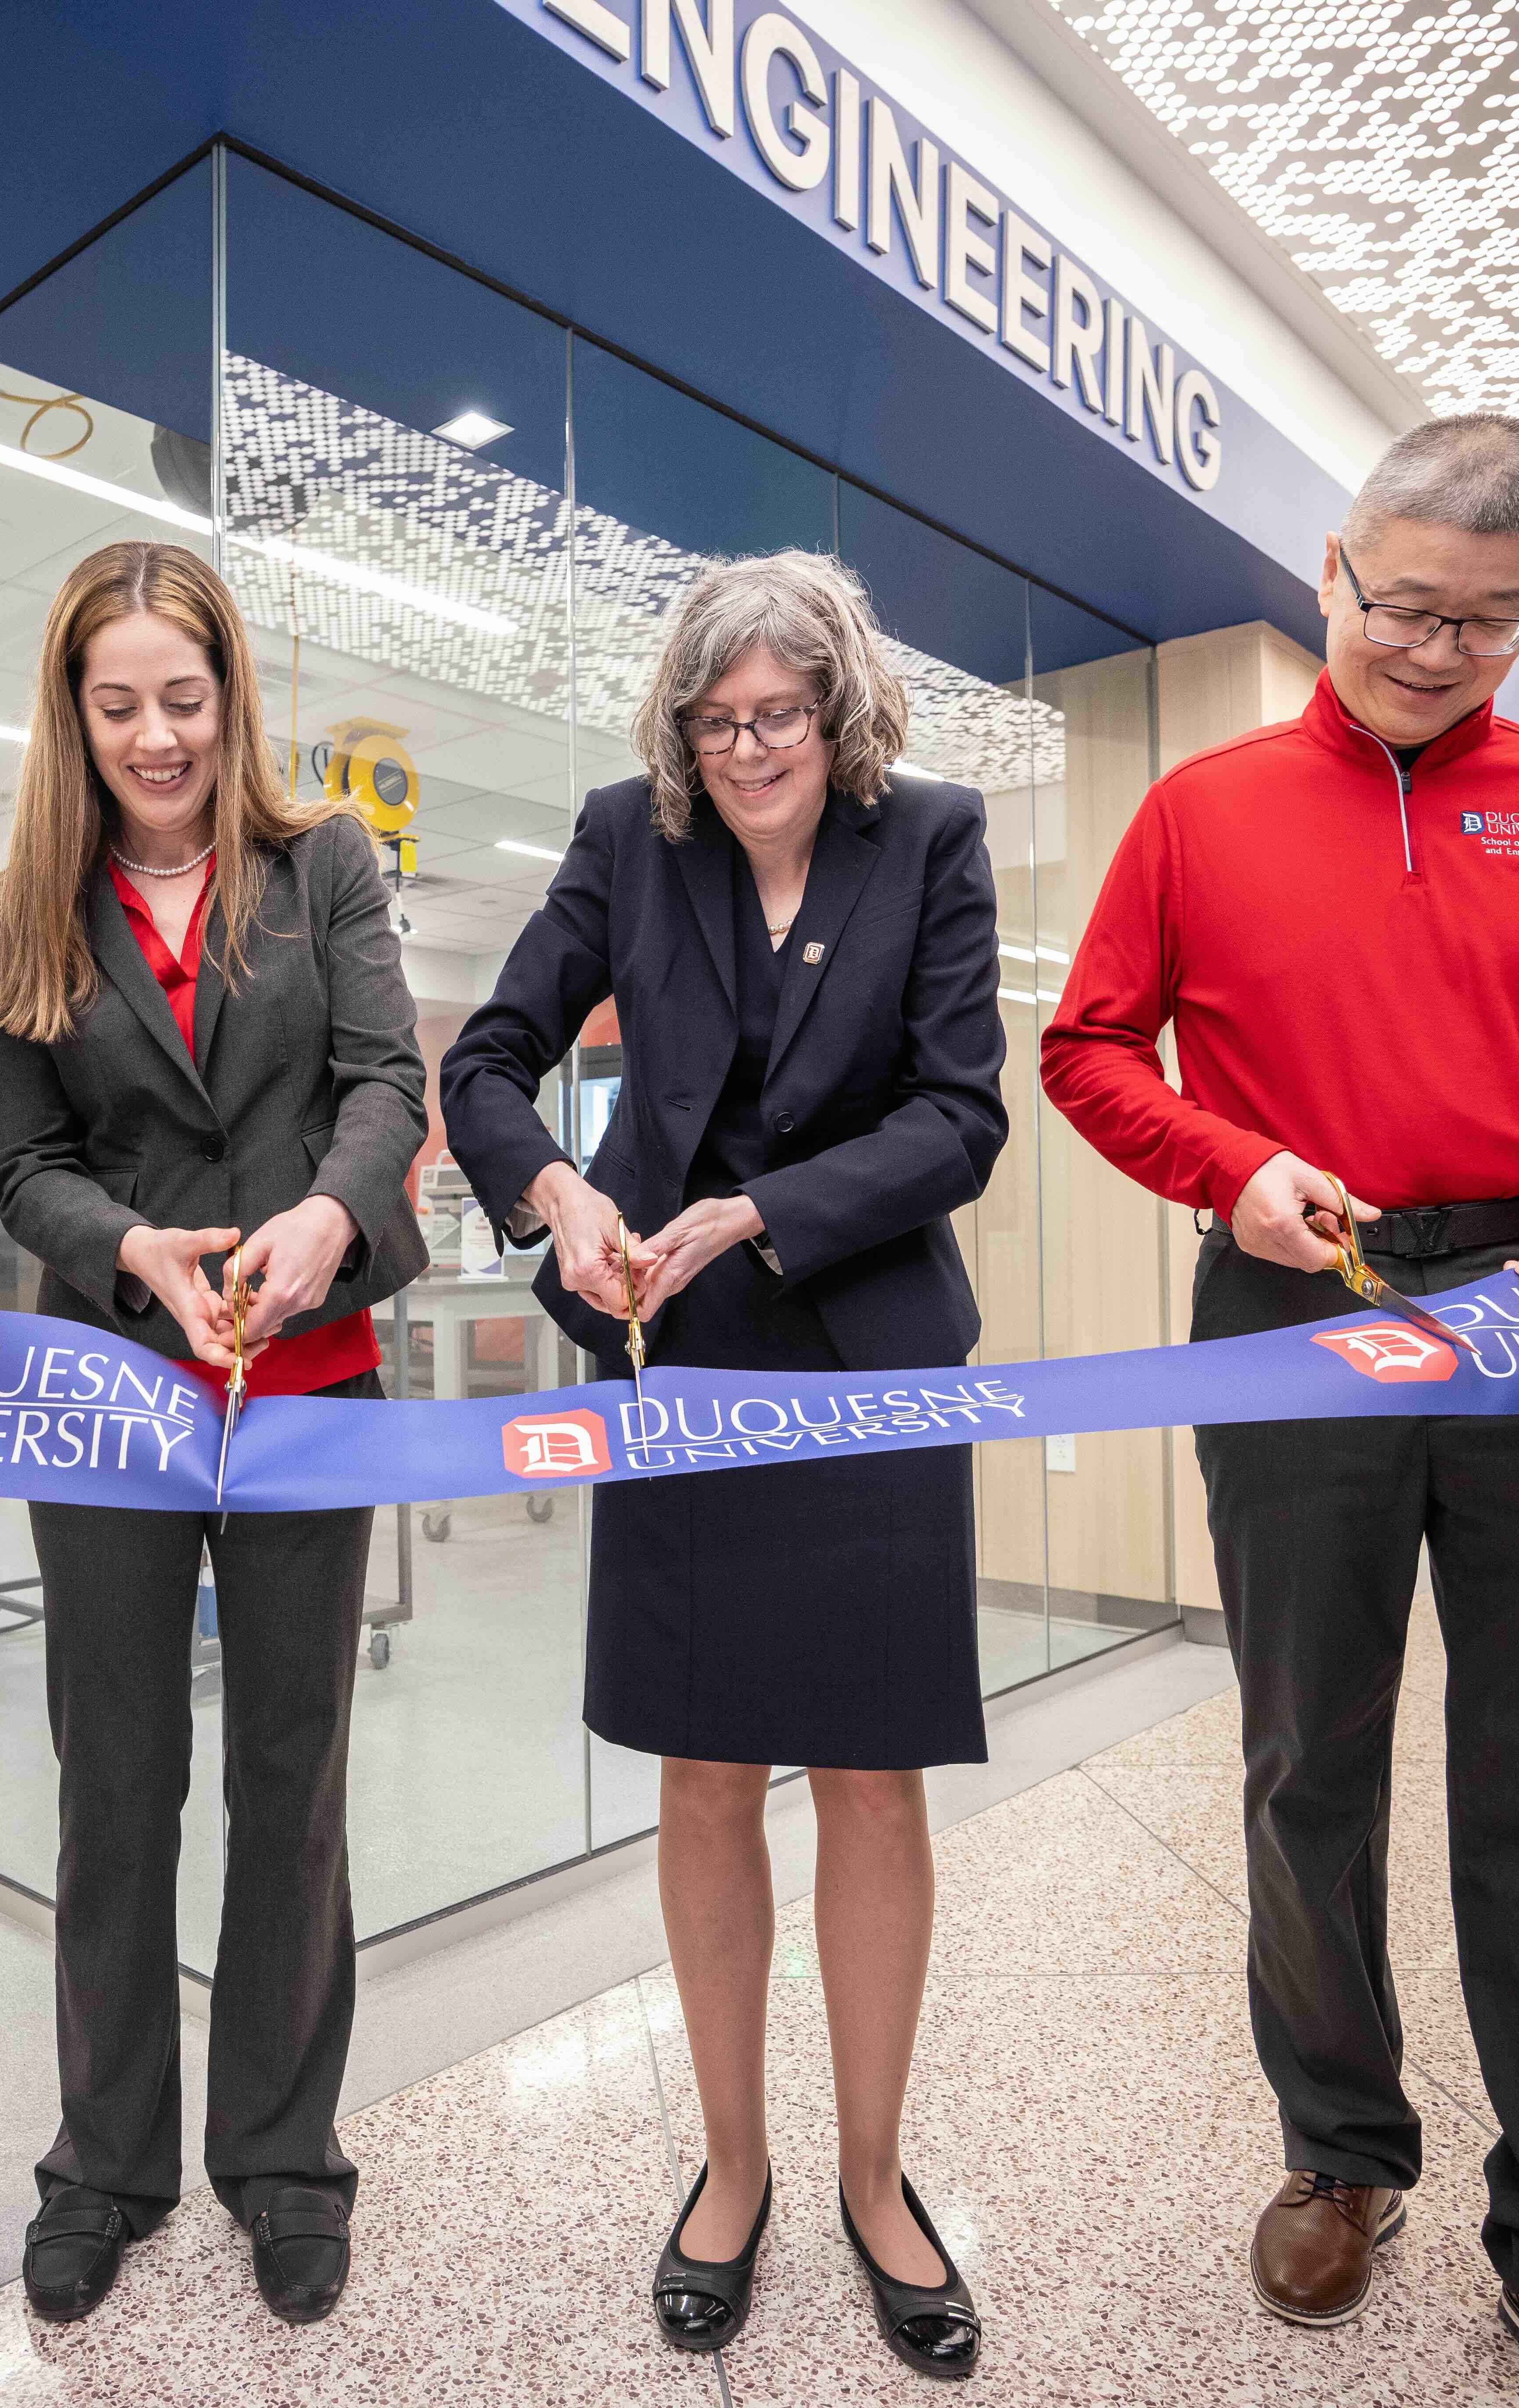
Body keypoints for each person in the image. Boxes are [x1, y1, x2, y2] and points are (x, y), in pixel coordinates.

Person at [1040, 416, 1519, 2408]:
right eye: (1408, 605)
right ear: (1335, 566)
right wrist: (1223, 1166)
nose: (1439, 652)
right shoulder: (1200, 810)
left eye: (1493, 625)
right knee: (1304, 1760)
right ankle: (1336, 2151)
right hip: (1290, 1302)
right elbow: (1087, 1048)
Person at [440, 552, 1006, 2380]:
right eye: (715, 717)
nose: (747, 745)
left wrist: (756, 1209)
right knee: (703, 1776)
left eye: (778, 713)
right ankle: (736, 2167)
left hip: (863, 1361)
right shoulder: (630, 837)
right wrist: (562, 1190)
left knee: (868, 1778)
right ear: (675, 727)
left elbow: (957, 1115)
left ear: (839, 709)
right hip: (679, 1362)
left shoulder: (927, 837)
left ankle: (870, 2172)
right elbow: (493, 1061)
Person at [0, 541, 428, 2329]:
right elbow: (23, 1167)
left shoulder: (322, 861)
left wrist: (325, 1225)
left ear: (230, 694)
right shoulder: (25, 897)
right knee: (116, 1781)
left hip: (308, 1389)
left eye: (184, 696)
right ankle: (103, 2158)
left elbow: (384, 1081)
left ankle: (284, 2155)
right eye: (117, 705)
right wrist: (131, 1255)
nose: (155, 737)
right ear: (70, 715)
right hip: (110, 1395)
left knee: (289, 1776)